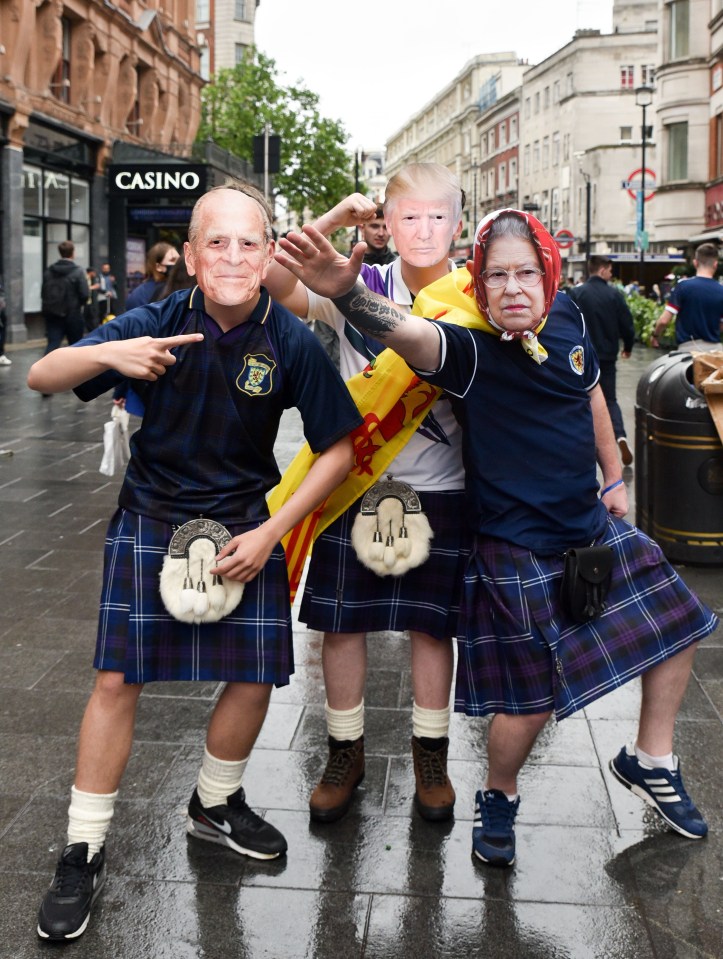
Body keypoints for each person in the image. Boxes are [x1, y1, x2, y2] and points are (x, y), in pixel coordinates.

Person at [275, 208, 718, 869]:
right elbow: (406, 332)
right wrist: (345, 291)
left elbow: (589, 389)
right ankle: (499, 794)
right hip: (515, 547)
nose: (512, 288)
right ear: (477, 286)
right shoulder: (469, 353)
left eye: (526, 273)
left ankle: (649, 758)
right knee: (529, 702)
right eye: (496, 276)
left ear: (550, 274)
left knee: (679, 624)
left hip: (591, 528)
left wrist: (614, 475)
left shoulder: (566, 317)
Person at [26, 183, 362, 942]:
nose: (235, 258)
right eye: (218, 243)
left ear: (270, 250)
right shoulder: (153, 321)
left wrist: (275, 530)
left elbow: (339, 447)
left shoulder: (291, 340)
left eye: (250, 243)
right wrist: (111, 352)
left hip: (247, 522)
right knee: (117, 679)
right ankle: (83, 847)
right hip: (151, 519)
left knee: (255, 674)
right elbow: (39, 377)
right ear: (192, 253)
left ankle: (215, 800)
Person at [267, 163, 470, 824]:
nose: (422, 228)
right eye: (406, 215)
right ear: (384, 220)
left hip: (443, 485)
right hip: (353, 478)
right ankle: (343, 751)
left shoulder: (472, 297)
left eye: (436, 216)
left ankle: (430, 757)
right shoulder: (355, 278)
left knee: (431, 629)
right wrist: (330, 220)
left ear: (456, 225)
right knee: (339, 624)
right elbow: (271, 281)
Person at [568, 256, 635, 466]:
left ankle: (584, 445)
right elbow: (627, 324)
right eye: (610, 270)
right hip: (607, 356)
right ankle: (620, 435)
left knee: (583, 399)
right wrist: (628, 347)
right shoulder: (614, 294)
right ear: (603, 270)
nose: (612, 274)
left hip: (581, 356)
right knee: (610, 399)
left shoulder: (577, 293)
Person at [652, 242, 723, 350]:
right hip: (716, 350)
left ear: (695, 263)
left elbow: (664, 321)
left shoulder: (683, 286)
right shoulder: (721, 290)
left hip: (689, 349)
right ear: (715, 264)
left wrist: (655, 336)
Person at [40, 240, 90, 354]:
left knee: (52, 344)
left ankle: (46, 369)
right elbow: (85, 294)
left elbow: (43, 292)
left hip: (53, 314)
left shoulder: (49, 271)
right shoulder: (78, 271)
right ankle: (75, 371)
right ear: (73, 253)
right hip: (73, 314)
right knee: (76, 346)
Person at [125, 242, 180, 310]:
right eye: (172, 260)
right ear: (158, 267)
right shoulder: (142, 294)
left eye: (179, 260)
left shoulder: (176, 287)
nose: (178, 264)